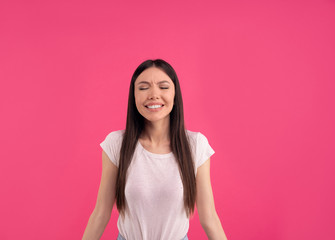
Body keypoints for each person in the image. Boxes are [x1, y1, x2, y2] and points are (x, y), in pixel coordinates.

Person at [82, 59, 227, 240]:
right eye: (143, 88)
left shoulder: (195, 145)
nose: (153, 94)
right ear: (133, 96)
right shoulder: (116, 143)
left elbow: (209, 218)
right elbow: (100, 214)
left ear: (175, 95)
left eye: (163, 87)